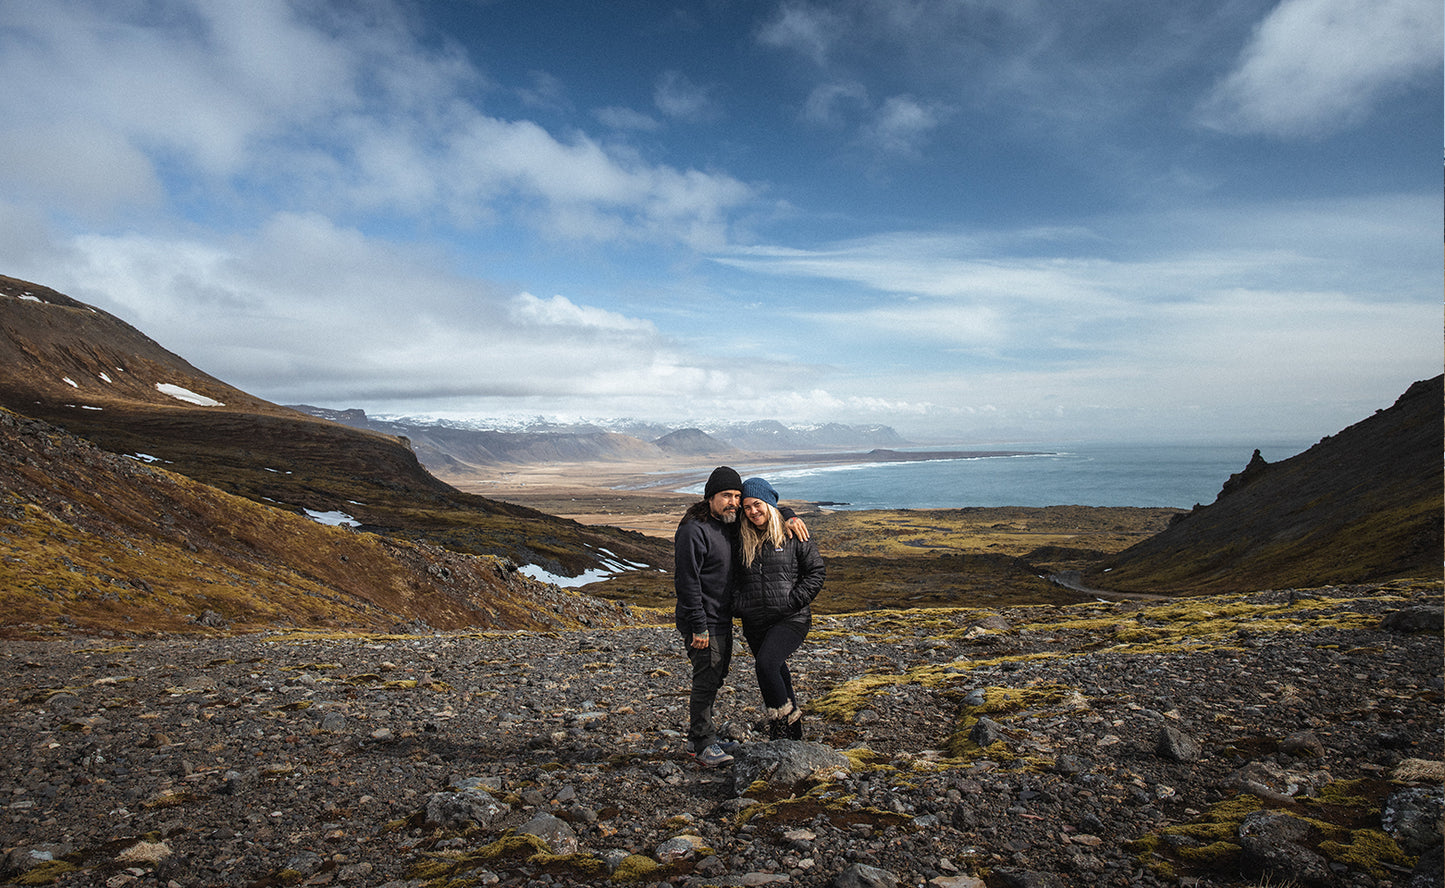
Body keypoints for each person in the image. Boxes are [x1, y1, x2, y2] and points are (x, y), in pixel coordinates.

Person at [674, 466, 807, 767]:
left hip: (721, 617)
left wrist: (788, 514)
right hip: (704, 620)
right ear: (710, 497)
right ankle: (702, 744)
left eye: (736, 496)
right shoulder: (694, 529)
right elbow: (687, 581)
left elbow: (764, 507)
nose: (733, 502)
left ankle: (701, 736)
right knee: (707, 678)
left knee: (717, 675)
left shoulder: (728, 523)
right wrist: (698, 625)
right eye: (726, 496)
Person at [734, 476, 824, 741]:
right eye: (747, 507)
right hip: (755, 621)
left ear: (770, 504)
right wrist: (738, 605)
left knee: (766, 663)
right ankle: (789, 735)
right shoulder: (740, 537)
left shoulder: (792, 533)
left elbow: (816, 572)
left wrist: (793, 601)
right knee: (776, 670)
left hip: (790, 618)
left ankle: (782, 718)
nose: (752, 511)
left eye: (757, 504)